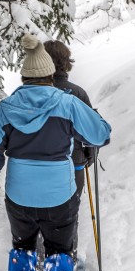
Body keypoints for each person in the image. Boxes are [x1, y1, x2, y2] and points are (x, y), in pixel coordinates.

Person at [0, 35, 111, 271]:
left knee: (23, 246)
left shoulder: (7, 108)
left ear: (24, 76)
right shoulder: (68, 103)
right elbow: (100, 135)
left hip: (19, 194)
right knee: (59, 250)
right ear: (51, 74)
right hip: (59, 194)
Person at [44, 39, 96, 204]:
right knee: (68, 215)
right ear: (66, 62)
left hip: (37, 165)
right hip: (72, 163)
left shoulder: (31, 93)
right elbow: (91, 132)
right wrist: (91, 153)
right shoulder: (78, 93)